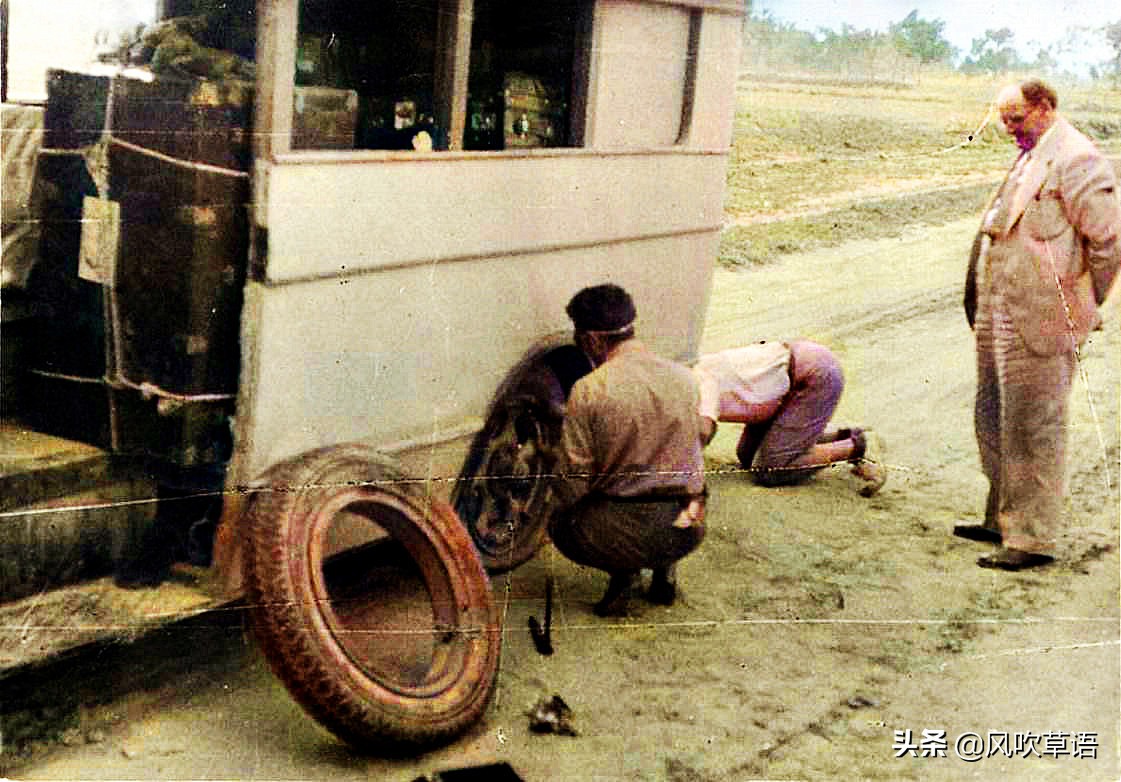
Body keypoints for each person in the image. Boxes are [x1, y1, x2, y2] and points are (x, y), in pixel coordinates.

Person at [958, 78, 1120, 571]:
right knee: (993, 414)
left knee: (1034, 425)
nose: (1009, 129)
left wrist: (1081, 304)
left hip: (1043, 315)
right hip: (1000, 307)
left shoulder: (1078, 158)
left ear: (1045, 107)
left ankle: (1031, 539)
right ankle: (1001, 519)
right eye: (1003, 120)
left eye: (1017, 119)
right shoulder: (1032, 152)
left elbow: (1108, 243)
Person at [547, 284, 707, 616]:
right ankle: (665, 567)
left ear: (591, 339)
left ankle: (625, 572)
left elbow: (573, 480)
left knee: (560, 521)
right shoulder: (684, 377)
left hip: (624, 532)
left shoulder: (590, 389)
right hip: (688, 527)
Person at [692, 340, 887, 495]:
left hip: (814, 374)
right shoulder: (683, 379)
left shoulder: (696, 382)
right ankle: (844, 435)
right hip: (785, 381)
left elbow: (704, 428)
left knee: (771, 469)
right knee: (747, 456)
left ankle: (858, 446)